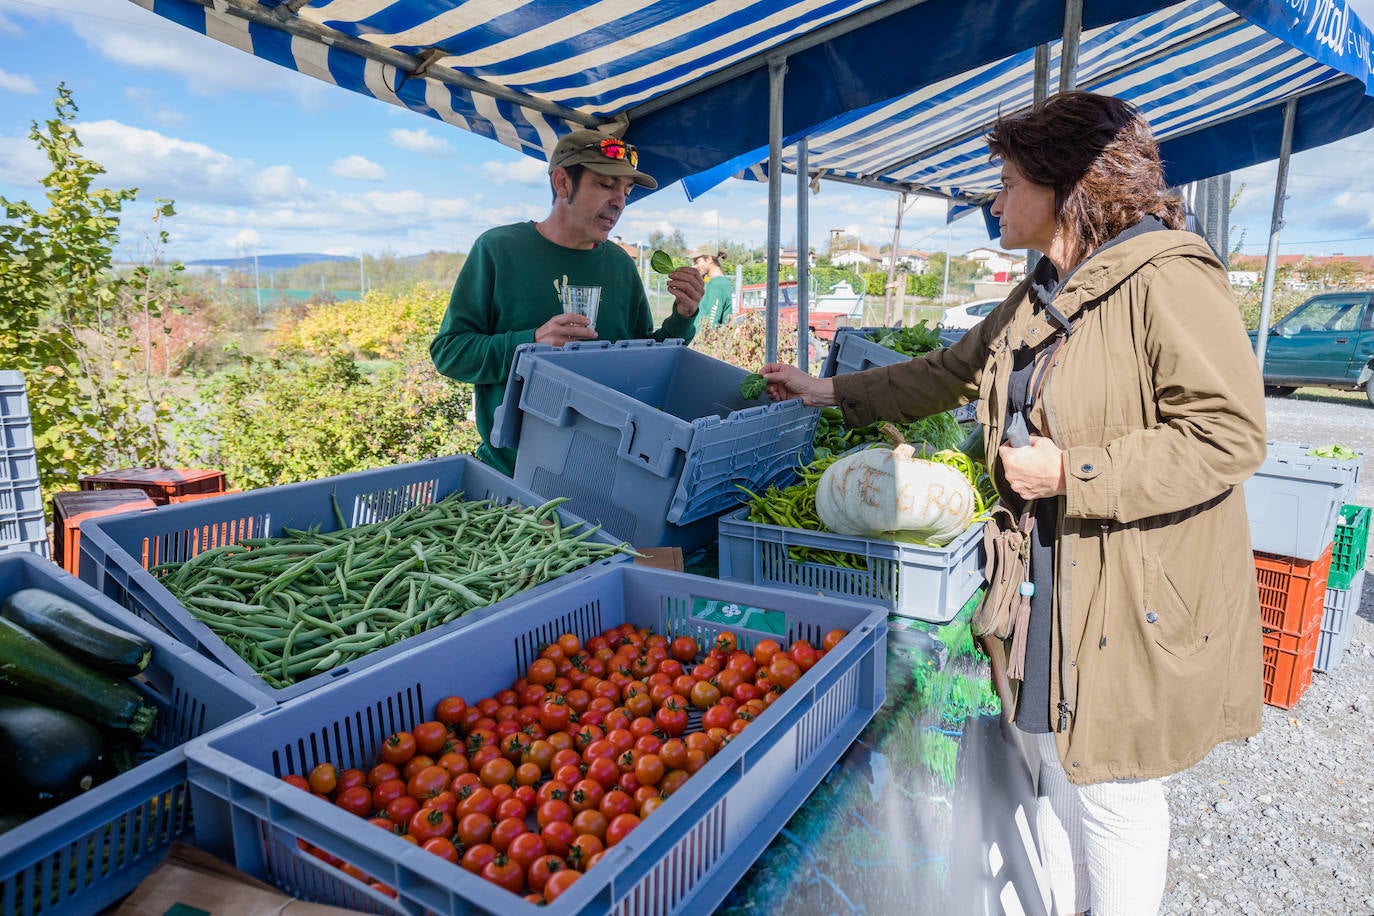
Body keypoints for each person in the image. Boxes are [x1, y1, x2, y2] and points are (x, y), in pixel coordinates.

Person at [759, 91, 1266, 916]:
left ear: (1068, 187)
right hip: (1054, 573)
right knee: (1062, 765)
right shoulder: (1046, 287)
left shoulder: (1169, 276)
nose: (994, 200)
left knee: (1113, 790)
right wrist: (828, 389)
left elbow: (1228, 434)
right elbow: (951, 369)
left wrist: (1074, 473)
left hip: (1133, 583)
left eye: (1006, 181)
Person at [430, 129, 705, 476]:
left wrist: (683, 316)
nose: (620, 201)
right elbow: (449, 352)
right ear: (562, 183)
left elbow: (644, 362)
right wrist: (530, 343)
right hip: (512, 473)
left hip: (603, 472)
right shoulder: (498, 249)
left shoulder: (619, 265)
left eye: (626, 191)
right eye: (606, 185)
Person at [690, 245, 734, 327]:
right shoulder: (713, 282)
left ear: (709, 259)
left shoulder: (718, 284)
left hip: (704, 338)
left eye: (697, 262)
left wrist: (702, 338)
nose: (694, 266)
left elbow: (711, 322)